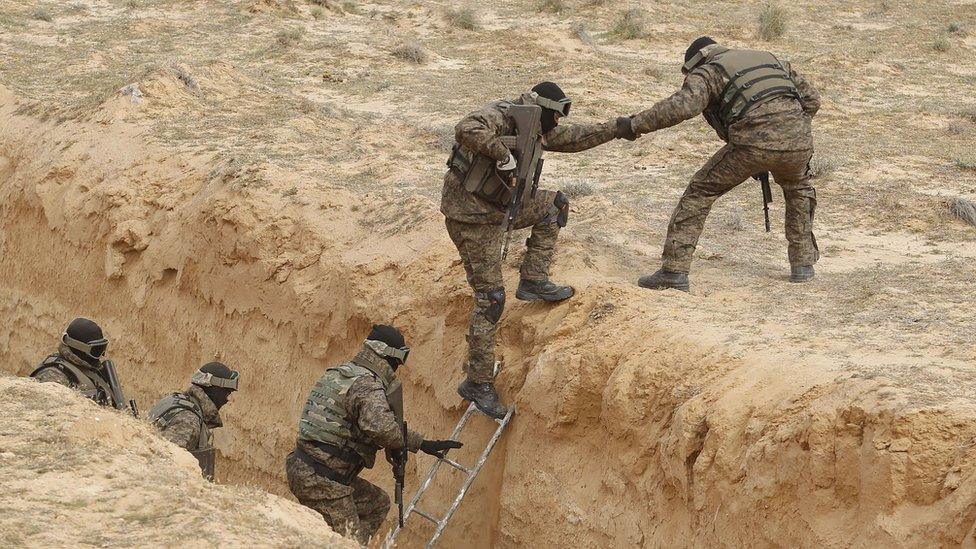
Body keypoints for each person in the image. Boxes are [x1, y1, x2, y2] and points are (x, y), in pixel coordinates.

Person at [443, 81, 637, 418]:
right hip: (472, 219)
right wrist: (503, 156)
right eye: (556, 115)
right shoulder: (502, 115)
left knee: (554, 206)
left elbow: (577, 138)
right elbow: (466, 128)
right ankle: (477, 382)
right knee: (491, 299)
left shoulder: (537, 127)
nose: (558, 124)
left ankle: (532, 280)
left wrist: (618, 128)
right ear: (542, 107)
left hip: (499, 208)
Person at [625, 36, 822, 291]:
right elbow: (812, 100)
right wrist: (788, 129)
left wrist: (633, 125)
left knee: (699, 192)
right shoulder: (772, 60)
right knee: (798, 191)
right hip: (799, 141)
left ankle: (673, 272)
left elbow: (683, 107)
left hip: (751, 144)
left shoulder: (709, 71)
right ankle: (803, 265)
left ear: (696, 63)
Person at [285, 325, 462, 545]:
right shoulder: (367, 385)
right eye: (400, 358)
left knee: (377, 503)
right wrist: (421, 444)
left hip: (308, 468)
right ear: (389, 355)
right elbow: (383, 430)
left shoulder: (343, 373)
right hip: (323, 480)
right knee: (346, 542)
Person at [147, 362, 240, 480]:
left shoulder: (176, 401)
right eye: (227, 393)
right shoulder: (189, 420)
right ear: (215, 390)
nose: (227, 399)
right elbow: (166, 466)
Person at [30, 317, 118, 407]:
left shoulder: (92, 370)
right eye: (97, 350)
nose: (101, 355)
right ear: (78, 347)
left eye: (103, 348)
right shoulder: (53, 375)